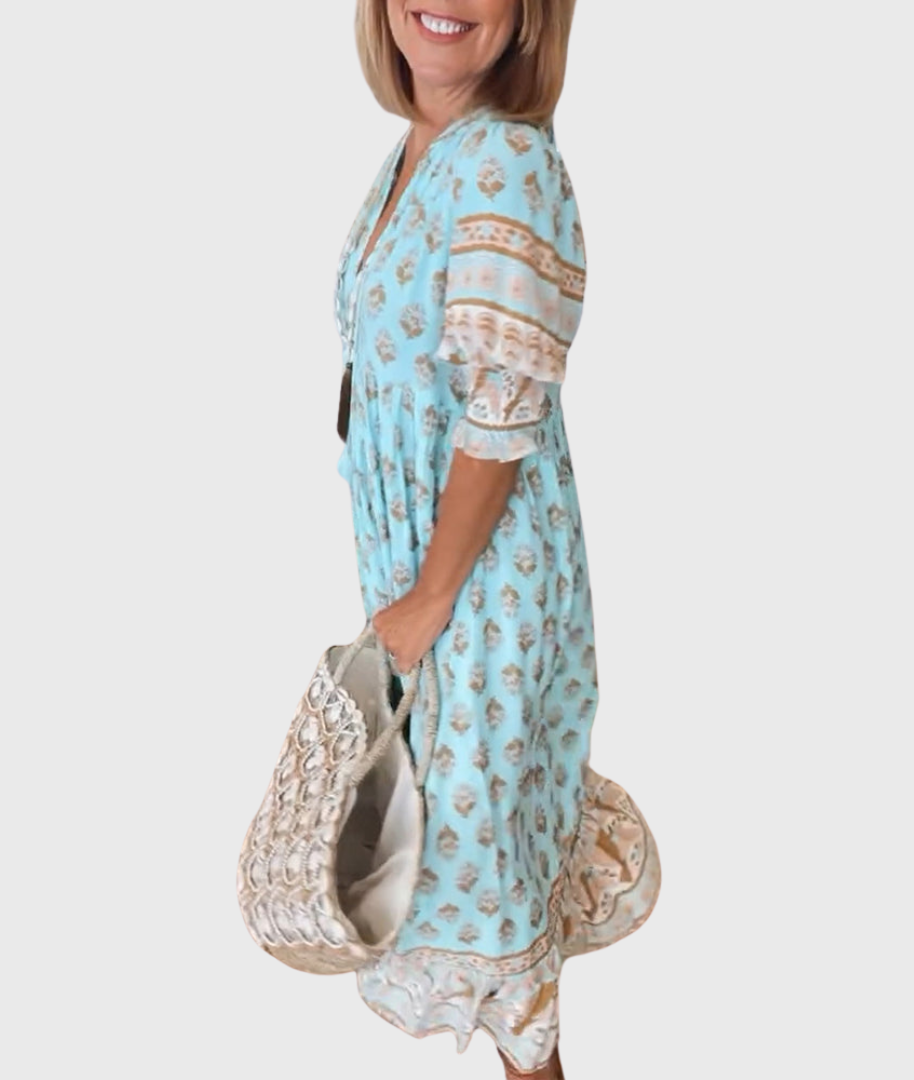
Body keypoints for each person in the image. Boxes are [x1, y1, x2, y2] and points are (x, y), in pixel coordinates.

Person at [334, 3, 660, 1076]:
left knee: (494, 923)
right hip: (431, 575)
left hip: (479, 590)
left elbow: (500, 411)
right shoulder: (423, 149)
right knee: (467, 886)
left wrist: (430, 599)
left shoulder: (502, 164)